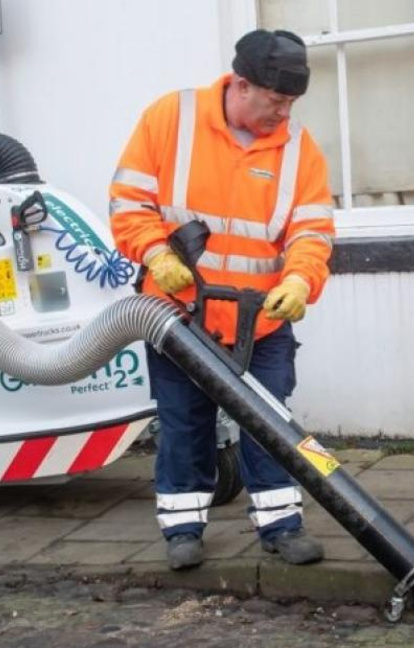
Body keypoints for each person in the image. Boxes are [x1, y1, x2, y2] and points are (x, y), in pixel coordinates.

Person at [109, 29, 335, 570]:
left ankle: (281, 527)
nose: (282, 113)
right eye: (275, 100)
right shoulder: (171, 119)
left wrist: (300, 281)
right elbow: (129, 202)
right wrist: (155, 253)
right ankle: (182, 530)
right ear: (240, 85)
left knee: (271, 422)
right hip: (180, 318)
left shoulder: (298, 149)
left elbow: (312, 231)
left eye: (290, 103)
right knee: (185, 422)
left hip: (261, 320)